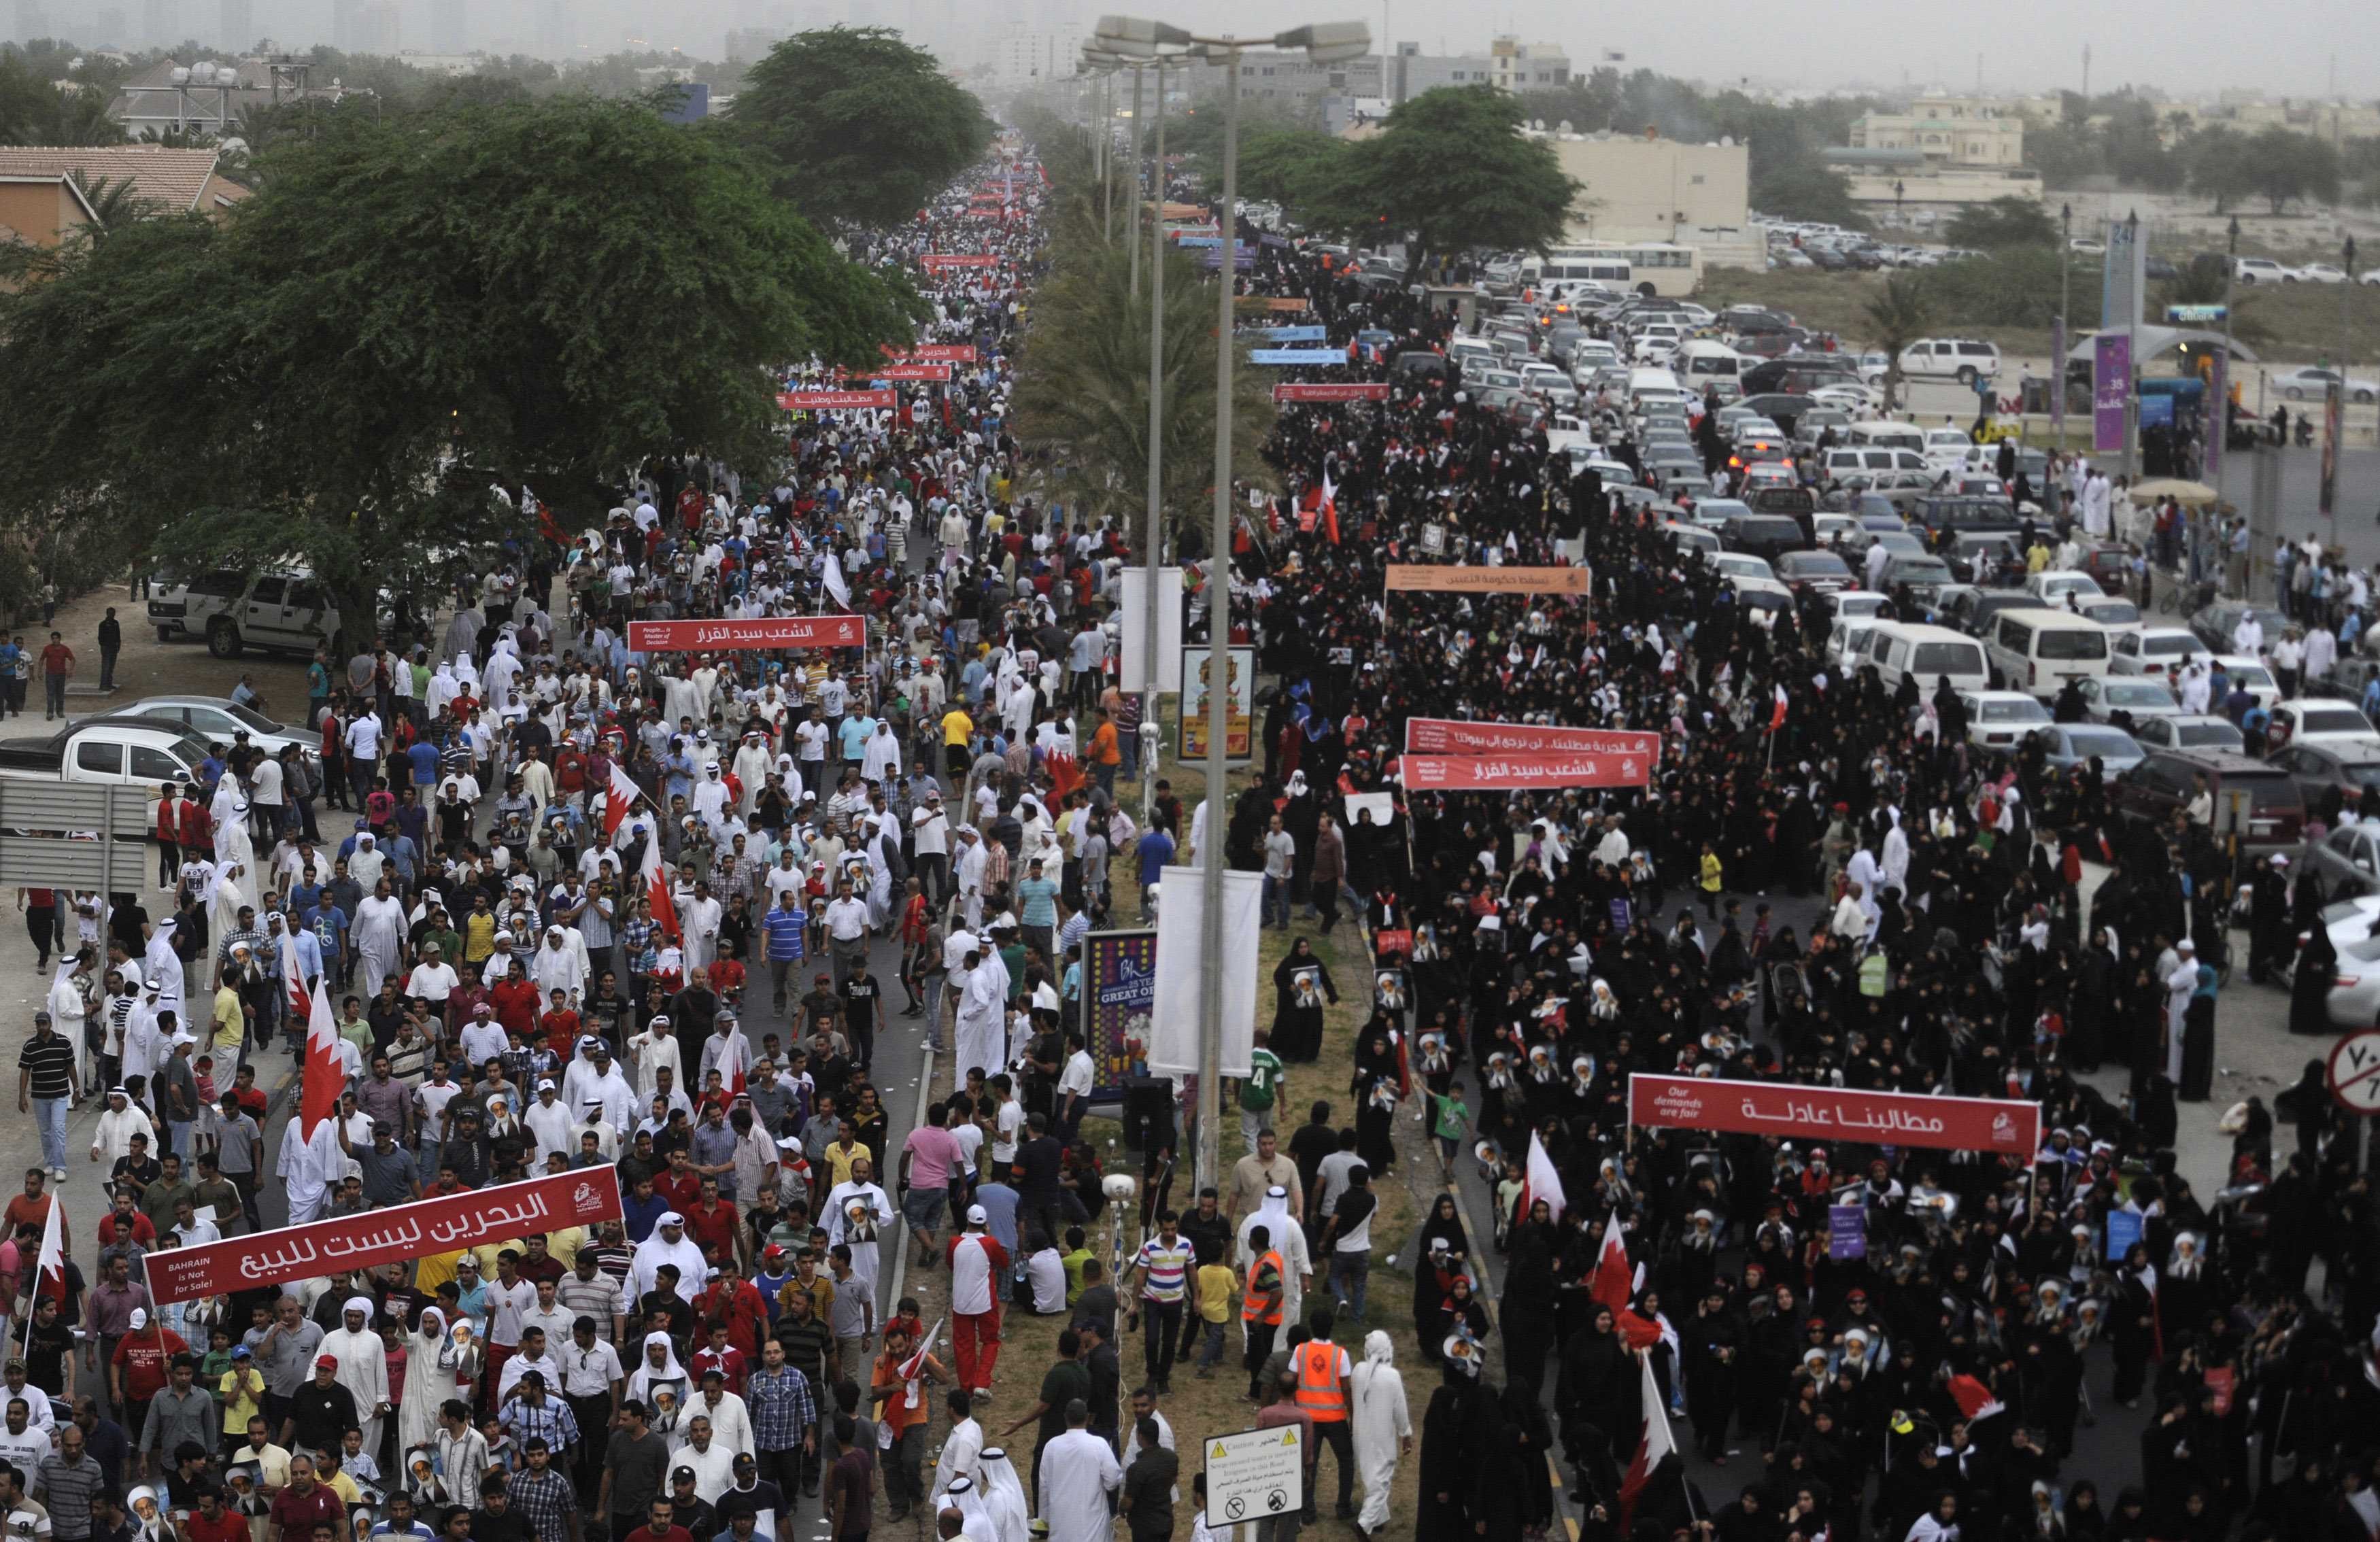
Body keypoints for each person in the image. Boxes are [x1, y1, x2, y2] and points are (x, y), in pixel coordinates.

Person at [1348, 1329, 1411, 1537]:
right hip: (1382, 1434)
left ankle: (1379, 1519)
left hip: (1360, 1432)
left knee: (1370, 1476)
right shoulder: (1392, 1376)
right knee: (1381, 1478)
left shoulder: (1358, 1370)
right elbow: (1400, 1410)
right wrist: (1405, 1433)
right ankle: (1365, 1523)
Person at [1034, 1401, 1118, 1542]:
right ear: (1087, 1417)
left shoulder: (1052, 1446)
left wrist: (1044, 1519)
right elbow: (1113, 1480)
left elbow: (1044, 1487)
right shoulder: (1099, 1445)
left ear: (1066, 1417)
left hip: (1061, 1526)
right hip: (1093, 1527)